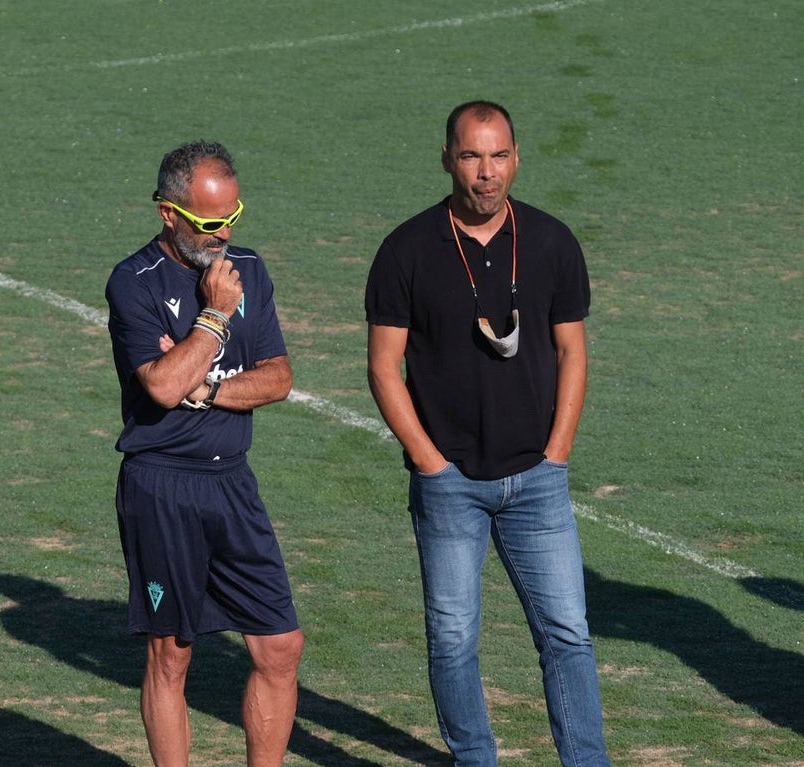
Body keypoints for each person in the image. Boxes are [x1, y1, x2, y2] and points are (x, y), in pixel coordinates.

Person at [364, 102, 611, 767]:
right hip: (450, 487)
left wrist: (557, 453)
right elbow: (383, 365)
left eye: (498, 155)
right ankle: (475, 759)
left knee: (567, 633)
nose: (486, 172)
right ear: (446, 158)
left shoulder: (553, 241)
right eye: (471, 156)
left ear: (517, 157)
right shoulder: (407, 250)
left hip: (538, 480)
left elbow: (573, 352)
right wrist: (428, 460)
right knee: (452, 637)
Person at [105, 140, 304, 767]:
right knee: (172, 655)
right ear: (169, 213)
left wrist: (207, 386)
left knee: (280, 647)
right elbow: (161, 386)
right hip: (162, 486)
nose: (222, 237)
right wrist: (214, 319)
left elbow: (278, 378)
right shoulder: (132, 282)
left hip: (232, 485)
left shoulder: (252, 268)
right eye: (208, 223)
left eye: (231, 219)